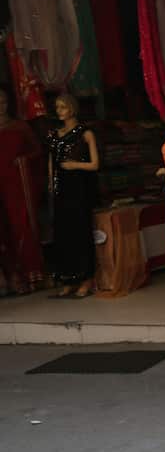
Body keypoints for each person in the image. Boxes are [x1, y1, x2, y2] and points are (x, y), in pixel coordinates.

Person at [45, 93, 100, 298]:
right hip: (61, 188)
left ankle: (86, 279)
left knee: (79, 232)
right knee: (63, 233)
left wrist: (74, 165)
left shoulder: (85, 133)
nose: (59, 111)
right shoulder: (54, 135)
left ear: (72, 109)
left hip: (78, 188)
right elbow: (51, 162)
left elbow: (95, 164)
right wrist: (51, 183)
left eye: (63, 107)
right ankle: (68, 278)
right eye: (57, 107)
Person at [0, 85, 44, 295]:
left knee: (22, 225)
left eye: (3, 102)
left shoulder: (20, 126)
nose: (1, 106)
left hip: (18, 183)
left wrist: (23, 160)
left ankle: (32, 275)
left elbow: (37, 151)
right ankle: (11, 278)